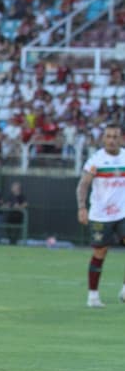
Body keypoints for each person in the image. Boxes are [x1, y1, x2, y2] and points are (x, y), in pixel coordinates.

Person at [76, 123, 125, 308]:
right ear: (103, 139)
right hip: (100, 215)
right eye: (109, 137)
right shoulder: (96, 160)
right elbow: (83, 185)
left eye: (115, 136)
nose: (112, 140)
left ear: (121, 138)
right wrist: (82, 207)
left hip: (122, 213)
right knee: (100, 252)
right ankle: (93, 296)